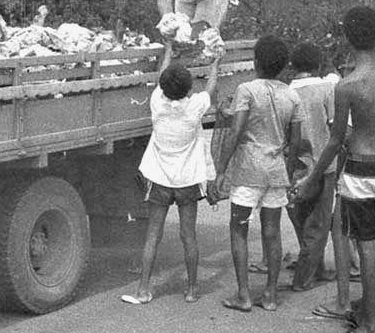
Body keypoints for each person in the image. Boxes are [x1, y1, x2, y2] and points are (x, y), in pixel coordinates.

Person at [295, 6, 375, 333]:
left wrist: (311, 178)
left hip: (361, 166)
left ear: (347, 39)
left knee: (366, 243)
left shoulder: (347, 86)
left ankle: (371, 327)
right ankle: (369, 310)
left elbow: (336, 139)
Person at [122, 44, 222, 305]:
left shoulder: (157, 103)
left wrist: (168, 47)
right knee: (188, 235)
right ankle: (191, 290)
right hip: (187, 182)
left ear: (164, 88)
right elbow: (211, 88)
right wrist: (215, 64)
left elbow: (162, 74)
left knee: (153, 234)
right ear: (189, 89)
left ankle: (143, 288)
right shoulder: (195, 107)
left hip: (159, 180)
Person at [215, 36, 303, 312]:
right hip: (276, 171)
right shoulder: (292, 94)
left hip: (248, 171)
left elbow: (237, 130)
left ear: (256, 62)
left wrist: (220, 169)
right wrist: (287, 171)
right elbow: (296, 140)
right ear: (283, 66)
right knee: (272, 232)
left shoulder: (247, 89)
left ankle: (243, 295)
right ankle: (270, 295)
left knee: (238, 229)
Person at [286, 42, 338, 291]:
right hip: (324, 164)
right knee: (319, 223)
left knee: (301, 219)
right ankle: (304, 278)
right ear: (318, 64)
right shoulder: (327, 88)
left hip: (295, 164)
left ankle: (315, 268)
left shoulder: (287, 91)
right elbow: (335, 128)